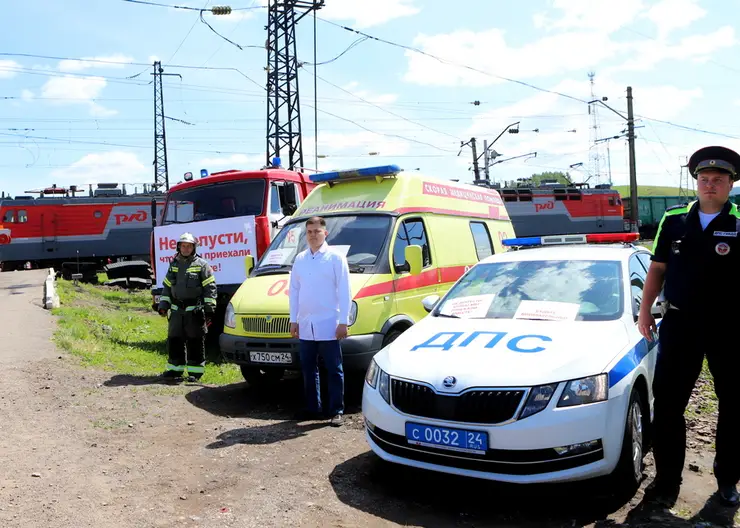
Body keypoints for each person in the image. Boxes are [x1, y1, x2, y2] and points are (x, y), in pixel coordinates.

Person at [637, 145, 740, 507]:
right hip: (681, 322)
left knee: (733, 405)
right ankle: (667, 480)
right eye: (703, 179)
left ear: (730, 184)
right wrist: (645, 310)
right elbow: (657, 269)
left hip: (730, 327)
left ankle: (727, 479)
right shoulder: (674, 220)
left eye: (718, 180)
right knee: (667, 403)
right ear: (696, 182)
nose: (709, 185)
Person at [289, 216, 352, 426]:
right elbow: (294, 292)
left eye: (317, 231)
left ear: (325, 233)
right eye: (309, 232)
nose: (313, 235)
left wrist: (343, 321)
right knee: (308, 368)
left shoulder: (335, 258)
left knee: (334, 369)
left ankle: (336, 410)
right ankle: (312, 408)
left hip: (329, 324)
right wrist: (293, 320)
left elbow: (345, 291)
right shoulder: (300, 259)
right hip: (306, 324)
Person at [157, 233, 218, 382]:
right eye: (183, 246)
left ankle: (195, 373)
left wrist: (209, 309)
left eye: (188, 246)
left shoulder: (202, 265)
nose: (185, 248)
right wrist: (163, 305)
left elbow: (210, 288)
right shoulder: (174, 265)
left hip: (194, 311)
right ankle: (174, 370)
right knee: (174, 340)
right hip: (177, 311)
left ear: (193, 248)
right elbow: (167, 287)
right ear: (179, 247)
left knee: (195, 341)